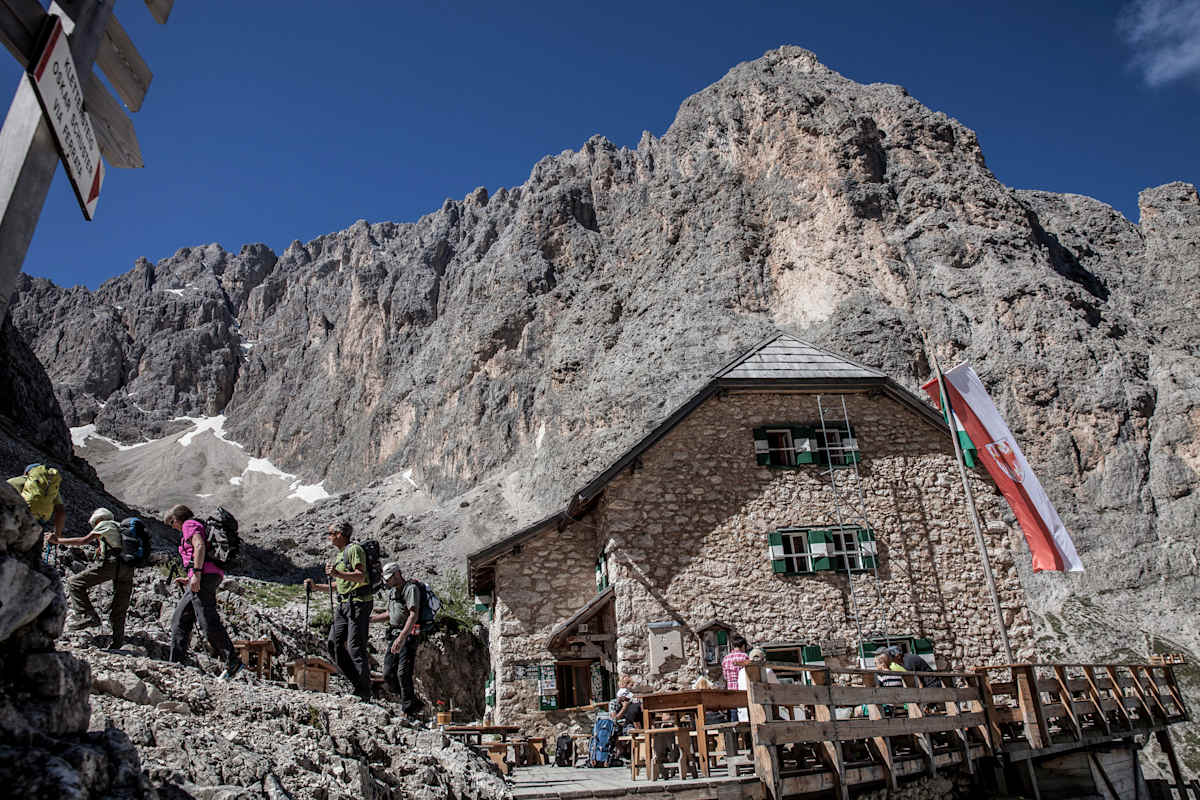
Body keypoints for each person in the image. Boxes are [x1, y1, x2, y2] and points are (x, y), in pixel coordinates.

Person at [166, 504, 243, 680]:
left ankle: (232, 660)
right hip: (207, 574)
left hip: (204, 575)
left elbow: (199, 546)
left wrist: (197, 575)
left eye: (171, 523)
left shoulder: (188, 524)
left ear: (176, 519)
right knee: (181, 617)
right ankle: (176, 663)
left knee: (206, 619)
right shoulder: (196, 524)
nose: (173, 527)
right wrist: (191, 577)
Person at [45, 508, 135, 646]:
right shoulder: (120, 526)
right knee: (120, 607)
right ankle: (118, 642)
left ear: (97, 520)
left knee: (74, 583)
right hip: (128, 568)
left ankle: (88, 615)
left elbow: (83, 541)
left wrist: (58, 541)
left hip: (112, 564)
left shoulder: (104, 523)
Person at [306, 521, 373, 701]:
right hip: (344, 604)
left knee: (355, 647)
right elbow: (341, 584)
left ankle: (364, 691)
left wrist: (336, 573)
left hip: (358, 603)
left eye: (331, 533)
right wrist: (316, 587)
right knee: (333, 643)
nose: (329, 537)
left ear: (340, 534)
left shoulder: (354, 550)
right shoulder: (341, 554)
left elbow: (361, 576)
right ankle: (357, 684)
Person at [370, 561, 427, 715]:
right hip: (394, 635)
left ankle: (409, 710)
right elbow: (391, 614)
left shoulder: (411, 589)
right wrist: (371, 619)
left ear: (397, 574)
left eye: (389, 578)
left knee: (403, 673)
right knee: (388, 673)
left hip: (407, 636)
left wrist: (402, 638)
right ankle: (412, 702)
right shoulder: (393, 592)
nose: (387, 581)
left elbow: (413, 615)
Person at [9, 462, 65, 539]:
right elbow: (61, 512)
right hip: (39, 521)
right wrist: (57, 535)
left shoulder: (18, 481)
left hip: (19, 516)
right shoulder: (53, 492)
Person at [722, 635, 749, 721]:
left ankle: (735, 733)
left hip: (731, 689)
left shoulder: (726, 658)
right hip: (743, 689)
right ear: (743, 646)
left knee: (733, 711)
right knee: (745, 712)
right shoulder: (745, 657)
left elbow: (725, 676)